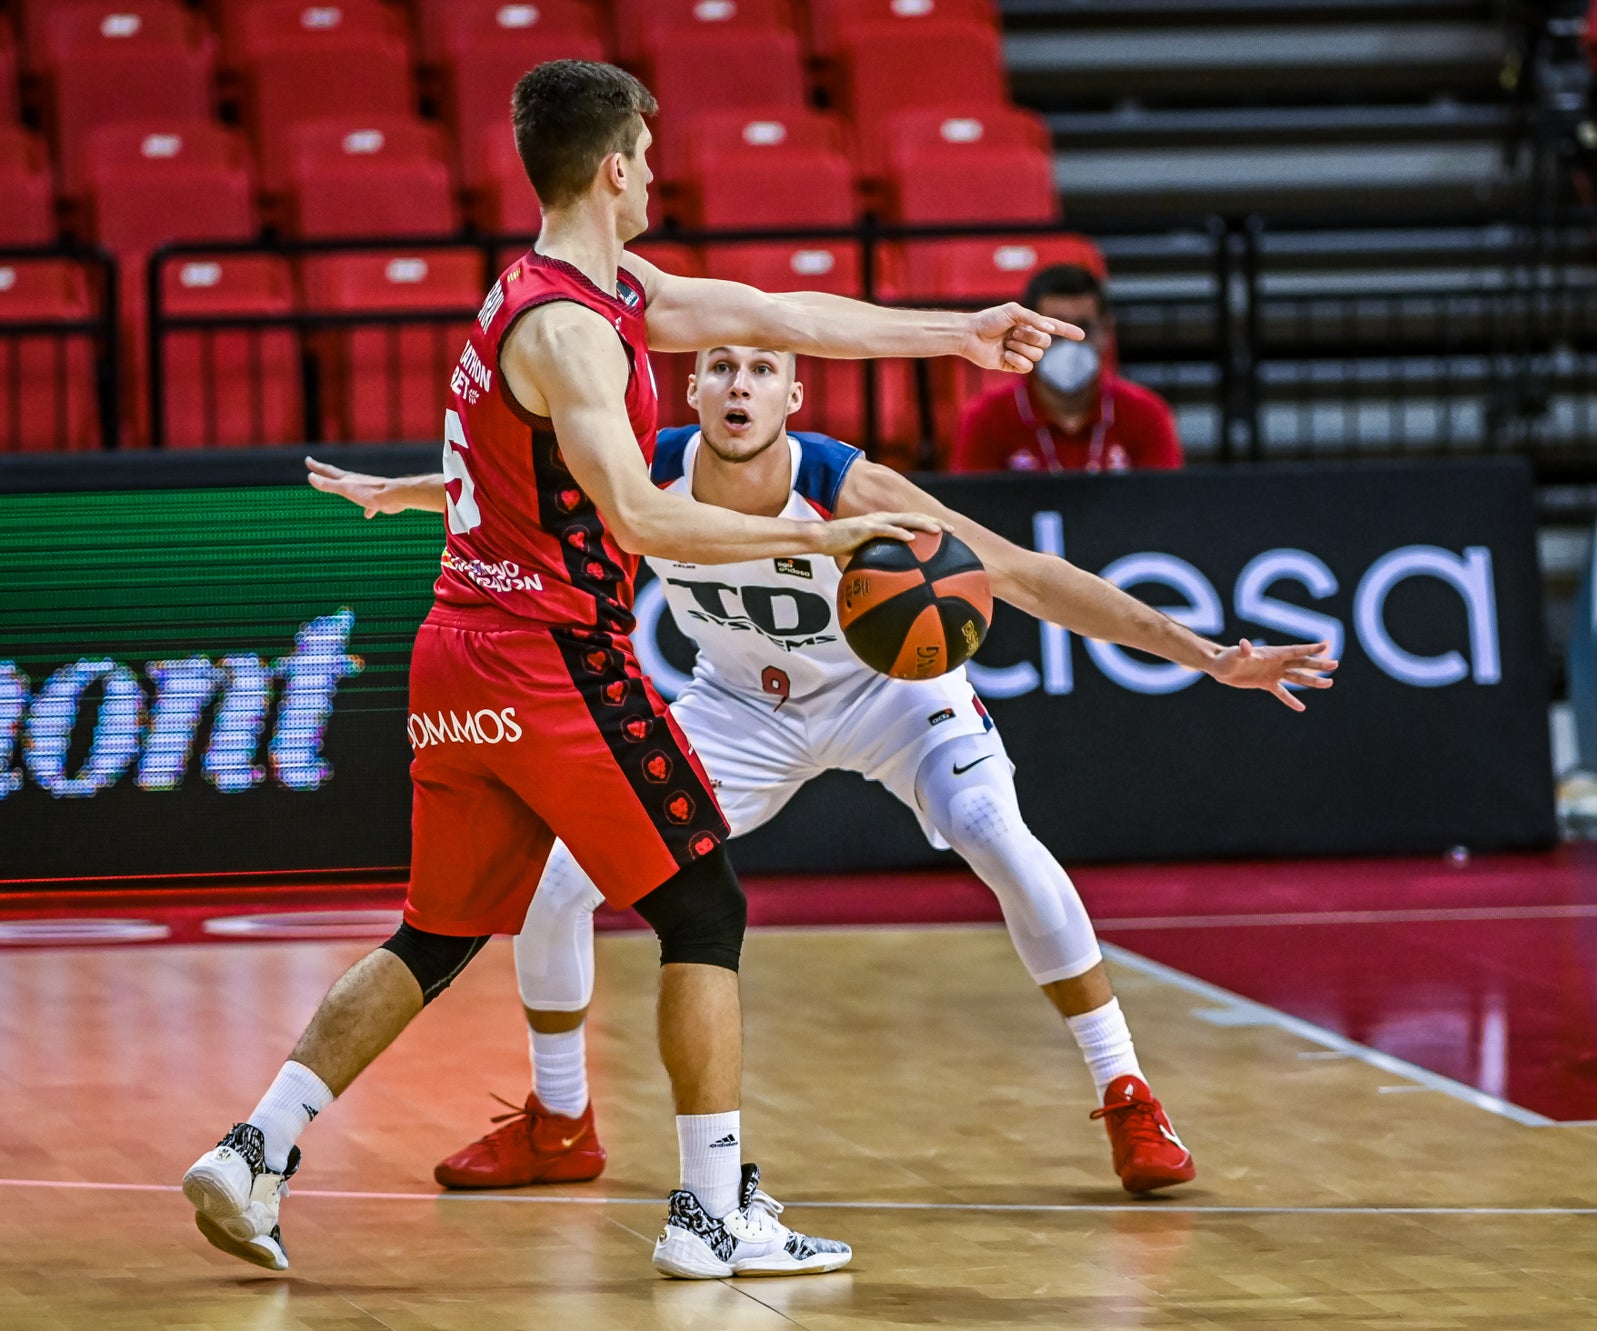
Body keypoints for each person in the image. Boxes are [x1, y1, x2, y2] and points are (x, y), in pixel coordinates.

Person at [179, 58, 1081, 1281]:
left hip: (455, 652)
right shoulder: (572, 333)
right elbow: (645, 521)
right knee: (702, 904)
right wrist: (813, 537)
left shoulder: (582, 289)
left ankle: (254, 1143)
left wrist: (955, 332)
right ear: (615, 168)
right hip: (548, 652)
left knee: (435, 934)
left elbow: (781, 316)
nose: (657, 176)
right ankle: (709, 1209)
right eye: (648, 159)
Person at [304, 342, 1336, 1196]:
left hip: (893, 695)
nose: (740, 384)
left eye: (761, 369)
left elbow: (1023, 576)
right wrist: (398, 492)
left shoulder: (851, 487)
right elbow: (508, 492)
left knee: (995, 834)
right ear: (692, 389)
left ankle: (1127, 1095)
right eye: (720, 367)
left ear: (794, 396)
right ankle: (561, 1120)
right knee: (556, 878)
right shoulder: (641, 468)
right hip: (739, 706)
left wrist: (1206, 653)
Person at [952, 264, 1183, 473]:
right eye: (1055, 328)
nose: (1071, 342)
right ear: (1025, 333)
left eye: (1083, 327)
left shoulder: (1147, 414)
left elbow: (1165, 510)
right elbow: (966, 513)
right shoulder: (986, 418)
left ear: (1106, 331)